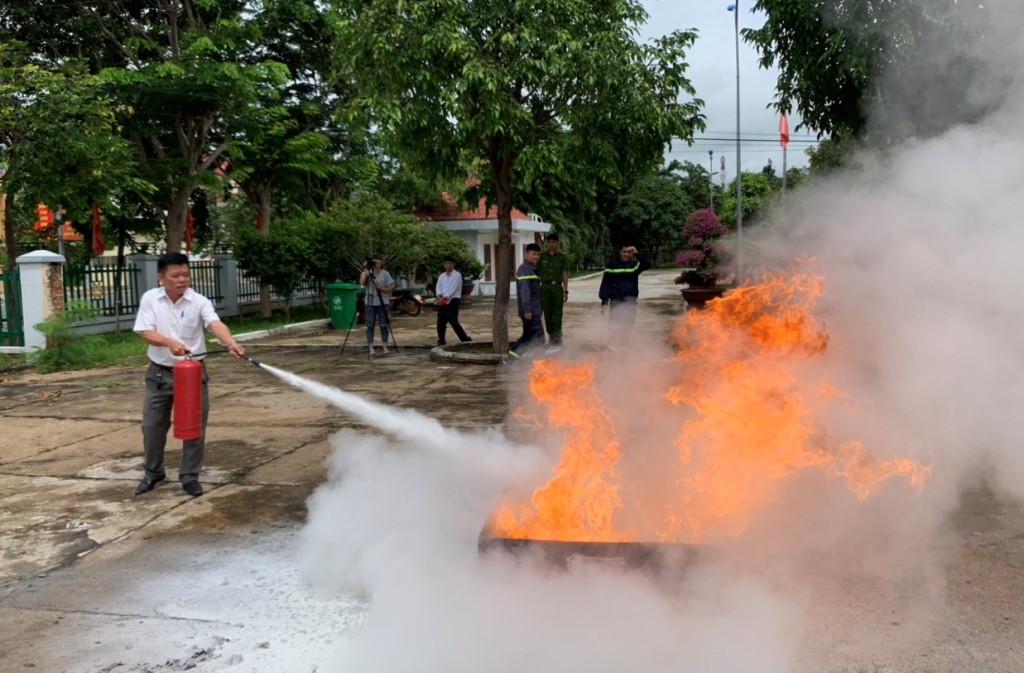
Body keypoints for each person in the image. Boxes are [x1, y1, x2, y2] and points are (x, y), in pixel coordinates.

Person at [133, 252, 245, 497]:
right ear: (161, 278)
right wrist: (168, 342)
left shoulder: (199, 301)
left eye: (186, 274)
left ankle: (189, 476)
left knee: (194, 427)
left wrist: (230, 343)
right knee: (152, 426)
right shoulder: (151, 299)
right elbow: (145, 332)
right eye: (176, 275)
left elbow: (215, 324)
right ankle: (153, 473)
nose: (182, 279)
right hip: (160, 374)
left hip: (193, 374)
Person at [598, 244, 652, 345]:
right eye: (624, 252)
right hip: (616, 301)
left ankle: (624, 346)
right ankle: (613, 345)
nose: (626, 254)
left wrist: (637, 253)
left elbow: (647, 264)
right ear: (620, 252)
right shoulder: (612, 266)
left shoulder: (635, 265)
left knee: (628, 325)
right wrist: (604, 300)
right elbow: (606, 283)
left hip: (630, 302)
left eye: (629, 252)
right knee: (614, 324)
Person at [508, 243, 544, 358]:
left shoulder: (532, 268)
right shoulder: (524, 269)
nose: (536, 257)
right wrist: (527, 310)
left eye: (538, 255)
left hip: (534, 308)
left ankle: (511, 359)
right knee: (538, 337)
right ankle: (540, 363)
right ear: (527, 254)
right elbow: (525, 291)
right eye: (533, 254)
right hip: (530, 310)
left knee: (529, 336)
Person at [536, 232, 569, 347]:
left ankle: (558, 338)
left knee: (558, 314)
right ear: (547, 243)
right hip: (545, 287)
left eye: (553, 242)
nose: (551, 244)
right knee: (547, 314)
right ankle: (551, 336)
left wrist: (566, 290)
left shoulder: (562, 257)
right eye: (549, 242)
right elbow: (537, 274)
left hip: (557, 287)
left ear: (557, 243)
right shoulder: (542, 256)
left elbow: (564, 274)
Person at [359, 254, 395, 355]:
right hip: (370, 303)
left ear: (381, 263)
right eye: (375, 262)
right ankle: (371, 348)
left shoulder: (385, 274)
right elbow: (361, 284)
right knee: (370, 325)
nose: (377, 264)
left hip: (382, 302)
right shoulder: (367, 272)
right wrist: (366, 270)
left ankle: (385, 347)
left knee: (384, 325)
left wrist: (381, 289)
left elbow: (391, 287)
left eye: (379, 261)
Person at [434, 255, 472, 346]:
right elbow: (438, 287)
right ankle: (441, 340)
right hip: (442, 300)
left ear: (454, 264)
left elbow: (453, 289)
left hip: (453, 300)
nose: (448, 266)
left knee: (453, 321)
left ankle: (464, 338)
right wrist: (439, 296)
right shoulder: (442, 276)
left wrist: (444, 298)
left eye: (450, 263)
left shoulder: (457, 275)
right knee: (440, 322)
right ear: (444, 265)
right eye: (446, 264)